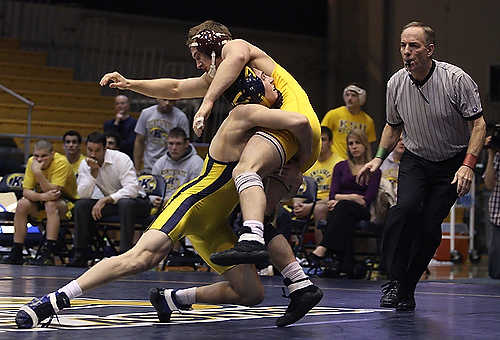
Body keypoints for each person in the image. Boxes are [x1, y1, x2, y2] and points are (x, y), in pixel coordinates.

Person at [16, 66, 321, 329]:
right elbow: (302, 123)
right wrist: (303, 162)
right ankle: (54, 300)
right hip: (191, 203)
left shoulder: (261, 129)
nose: (274, 84)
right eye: (268, 83)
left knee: (251, 294)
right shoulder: (245, 112)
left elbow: (179, 87)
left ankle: (173, 299)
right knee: (140, 258)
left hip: (214, 223)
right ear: (253, 91)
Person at [357, 21, 486, 311]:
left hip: (451, 163)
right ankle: (392, 280)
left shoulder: (455, 79)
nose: (406, 51)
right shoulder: (395, 83)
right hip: (415, 158)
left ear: (429, 49)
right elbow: (392, 126)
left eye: (413, 46)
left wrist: (468, 165)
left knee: (428, 226)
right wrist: (377, 159)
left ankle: (408, 287)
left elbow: (478, 125)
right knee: (403, 211)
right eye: (403, 45)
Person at [67, 132, 151, 266]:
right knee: (81, 205)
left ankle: (125, 254)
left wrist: (106, 199)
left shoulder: (121, 159)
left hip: (138, 203)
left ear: (105, 149)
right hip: (114, 204)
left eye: (97, 150)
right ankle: (80, 254)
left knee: (125, 203)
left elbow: (132, 189)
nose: (93, 154)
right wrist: (92, 175)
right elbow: (83, 195)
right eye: (90, 150)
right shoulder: (85, 164)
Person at [309, 129, 381, 277]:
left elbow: (366, 199)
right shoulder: (340, 167)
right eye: (350, 143)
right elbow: (332, 195)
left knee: (342, 207)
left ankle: (324, 247)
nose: (354, 146)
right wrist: (353, 196)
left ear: (365, 145)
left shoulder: (374, 170)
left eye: (357, 143)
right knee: (344, 215)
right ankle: (346, 265)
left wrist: (349, 198)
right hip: (342, 211)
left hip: (362, 211)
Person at [1, 140, 77, 265]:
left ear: (52, 154)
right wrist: (42, 196)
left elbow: (54, 192)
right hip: (42, 198)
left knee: (51, 204)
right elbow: (26, 192)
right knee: (22, 204)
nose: (39, 160)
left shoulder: (61, 162)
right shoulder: (32, 162)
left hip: (67, 201)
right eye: (36, 156)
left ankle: (47, 253)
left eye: (44, 156)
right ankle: (17, 251)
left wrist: (38, 173)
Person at [292, 126, 343, 244]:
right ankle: (295, 253)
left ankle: (319, 254)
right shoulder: (308, 160)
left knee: (319, 210)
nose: (320, 143)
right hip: (308, 201)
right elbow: (298, 188)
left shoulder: (339, 163)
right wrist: (297, 203)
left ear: (331, 142)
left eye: (323, 139)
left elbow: (337, 195)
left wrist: (311, 207)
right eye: (317, 140)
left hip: (328, 203)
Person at [134, 99, 190, 174]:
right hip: (148, 165)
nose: (167, 103)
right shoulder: (146, 113)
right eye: (164, 99)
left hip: (170, 168)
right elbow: (139, 141)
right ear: (157, 98)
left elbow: (184, 143)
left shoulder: (181, 117)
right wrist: (137, 168)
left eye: (171, 101)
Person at [321, 83, 377, 159]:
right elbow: (321, 137)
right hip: (334, 161)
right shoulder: (333, 114)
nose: (349, 98)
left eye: (353, 95)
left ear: (361, 98)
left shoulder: (368, 121)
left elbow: (369, 145)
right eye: (347, 95)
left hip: (357, 162)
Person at [151, 127, 203, 207]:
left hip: (185, 206)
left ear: (186, 144)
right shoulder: (160, 163)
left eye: (178, 144)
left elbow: (195, 192)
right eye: (171, 143)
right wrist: (154, 199)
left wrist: (171, 201)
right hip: (161, 206)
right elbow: (153, 189)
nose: (174, 148)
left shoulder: (197, 163)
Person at [483, 135, 500, 278]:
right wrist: (491, 153)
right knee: (495, 272)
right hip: (498, 216)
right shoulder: (497, 156)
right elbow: (489, 184)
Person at [103, 95, 136, 159]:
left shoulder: (134, 123)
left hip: (128, 156)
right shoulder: (108, 124)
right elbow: (108, 141)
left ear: (128, 105)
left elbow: (130, 144)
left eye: (122, 103)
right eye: (117, 104)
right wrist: (116, 123)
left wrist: (115, 145)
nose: (120, 106)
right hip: (110, 157)